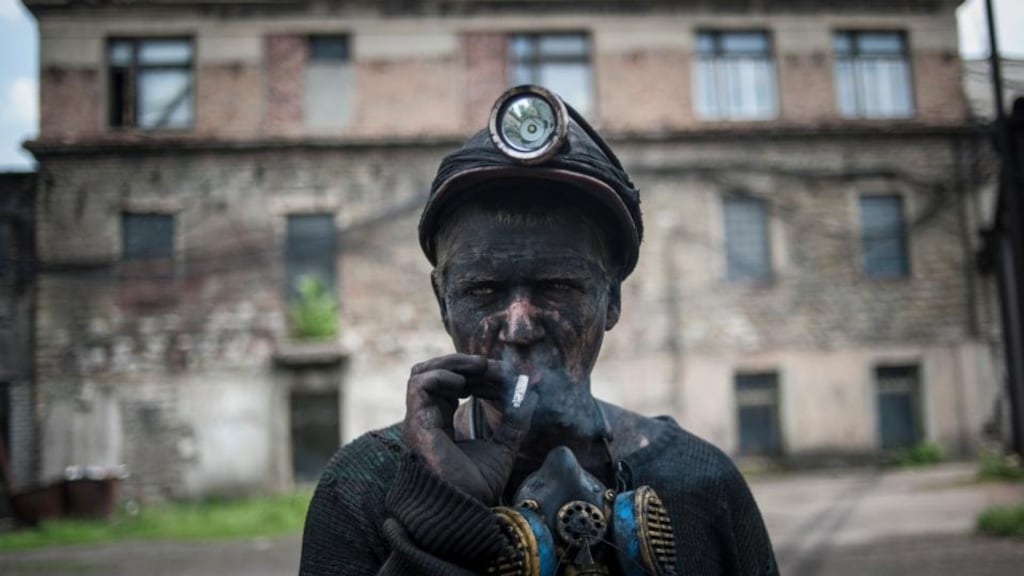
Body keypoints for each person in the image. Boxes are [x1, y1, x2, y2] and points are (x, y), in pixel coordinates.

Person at [299, 86, 778, 576]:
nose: (520, 326)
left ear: (611, 298)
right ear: (443, 303)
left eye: (557, 286)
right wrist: (440, 519)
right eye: (484, 291)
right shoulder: (362, 488)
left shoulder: (700, 482)